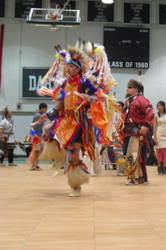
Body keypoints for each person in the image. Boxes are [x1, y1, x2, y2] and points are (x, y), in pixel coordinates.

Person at [40, 42, 113, 197]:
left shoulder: (85, 82)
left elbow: (100, 96)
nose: (68, 69)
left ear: (78, 68)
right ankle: (59, 160)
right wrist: (49, 114)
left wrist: (88, 98)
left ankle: (75, 185)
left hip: (79, 122)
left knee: (74, 152)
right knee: (48, 131)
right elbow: (61, 103)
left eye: (72, 67)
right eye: (67, 67)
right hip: (66, 120)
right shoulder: (65, 83)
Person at [123, 79, 155, 185]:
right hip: (128, 131)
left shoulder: (142, 100)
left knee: (134, 154)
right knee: (131, 154)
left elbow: (150, 112)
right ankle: (140, 177)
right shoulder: (128, 101)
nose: (127, 89)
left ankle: (134, 178)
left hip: (137, 131)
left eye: (130, 87)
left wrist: (146, 125)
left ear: (136, 89)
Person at [153, 101, 166, 175]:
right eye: (158, 106)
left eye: (161, 106)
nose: (159, 107)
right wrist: (155, 137)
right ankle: (159, 166)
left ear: (164, 107)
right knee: (158, 151)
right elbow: (154, 127)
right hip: (159, 134)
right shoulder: (155, 115)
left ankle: (165, 166)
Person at [28, 103, 48, 171]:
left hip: (39, 135)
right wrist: (34, 134)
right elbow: (33, 126)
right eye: (45, 108)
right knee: (36, 150)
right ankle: (33, 166)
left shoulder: (40, 115)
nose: (46, 110)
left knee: (41, 149)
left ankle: (36, 164)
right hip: (36, 135)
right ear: (42, 108)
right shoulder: (38, 115)